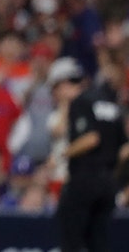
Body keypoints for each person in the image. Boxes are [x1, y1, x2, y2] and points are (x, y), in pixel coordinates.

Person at [51, 57, 128, 252]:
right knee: (99, 242)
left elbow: (91, 138)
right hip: (108, 182)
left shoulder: (80, 101)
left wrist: (63, 154)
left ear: (65, 84)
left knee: (72, 241)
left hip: (84, 178)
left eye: (56, 88)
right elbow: (124, 150)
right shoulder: (110, 103)